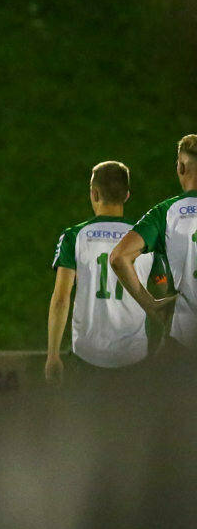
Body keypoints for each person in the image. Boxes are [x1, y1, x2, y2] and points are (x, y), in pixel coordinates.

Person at [46, 161, 160, 384]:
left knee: (86, 419)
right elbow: (164, 284)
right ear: (127, 195)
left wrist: (53, 355)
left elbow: (61, 299)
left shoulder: (74, 236)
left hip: (88, 357)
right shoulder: (145, 236)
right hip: (134, 357)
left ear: (94, 193)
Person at [111, 134, 197, 349]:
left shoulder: (165, 213)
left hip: (184, 339)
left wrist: (150, 305)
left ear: (181, 168)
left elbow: (119, 257)